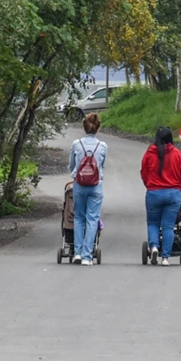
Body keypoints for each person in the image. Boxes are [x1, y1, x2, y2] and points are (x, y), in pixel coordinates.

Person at [140, 126, 181, 266]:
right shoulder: (177, 154)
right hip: (173, 193)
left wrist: (149, 185)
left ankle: (154, 246)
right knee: (168, 226)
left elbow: (144, 172)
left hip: (154, 192)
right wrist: (179, 185)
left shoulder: (149, 153)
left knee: (153, 223)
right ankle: (165, 257)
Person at [68, 113, 107, 266]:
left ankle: (77, 253)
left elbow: (72, 166)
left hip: (79, 184)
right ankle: (87, 256)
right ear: (98, 128)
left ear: (83, 127)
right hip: (96, 185)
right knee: (92, 219)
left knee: (79, 218)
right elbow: (102, 166)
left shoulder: (76, 144)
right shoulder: (102, 146)